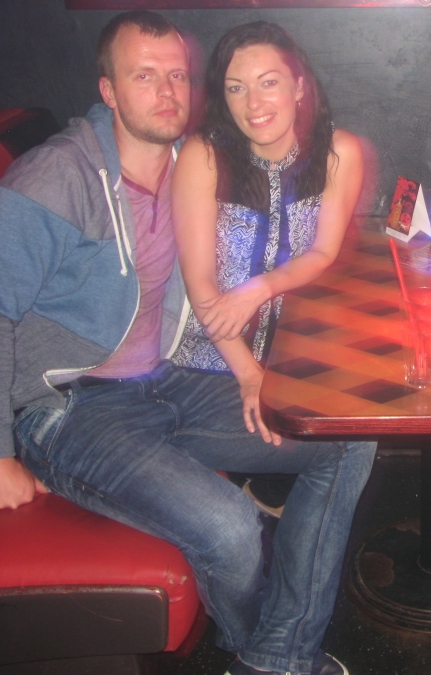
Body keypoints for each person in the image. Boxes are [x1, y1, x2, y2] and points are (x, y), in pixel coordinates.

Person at [0, 11, 374, 675]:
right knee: (231, 528)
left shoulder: (187, 158)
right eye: (144, 75)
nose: (166, 90)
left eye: (176, 75)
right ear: (108, 89)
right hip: (70, 408)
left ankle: (276, 654)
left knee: (347, 438)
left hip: (168, 381)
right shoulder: (56, 177)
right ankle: (270, 655)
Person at [171, 22, 363, 513]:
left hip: (297, 354)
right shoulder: (204, 155)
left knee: (364, 420)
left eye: (269, 82)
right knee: (348, 443)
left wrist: (260, 288)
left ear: (299, 87)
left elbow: (322, 252)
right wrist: (250, 375)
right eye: (236, 88)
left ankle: (276, 505)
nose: (253, 103)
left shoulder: (339, 152)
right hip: (208, 364)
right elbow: (199, 284)